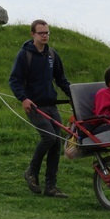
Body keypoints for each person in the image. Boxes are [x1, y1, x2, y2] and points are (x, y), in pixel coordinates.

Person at [9, 20, 72, 198]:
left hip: (51, 105)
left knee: (56, 142)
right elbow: (14, 81)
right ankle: (31, 172)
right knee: (49, 137)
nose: (45, 35)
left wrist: (74, 95)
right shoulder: (24, 55)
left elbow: (61, 79)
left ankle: (51, 187)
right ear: (33, 34)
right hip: (34, 106)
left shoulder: (52, 55)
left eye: (47, 33)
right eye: (41, 33)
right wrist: (24, 99)